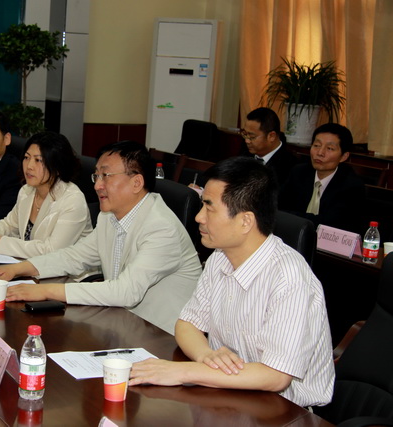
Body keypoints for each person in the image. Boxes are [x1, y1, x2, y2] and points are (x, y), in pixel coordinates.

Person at [129, 156, 334, 408]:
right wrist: (207, 356)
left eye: (209, 208)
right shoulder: (220, 257)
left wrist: (182, 372)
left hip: (282, 410)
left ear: (245, 221)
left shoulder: (289, 277)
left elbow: (276, 376)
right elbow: (187, 324)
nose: (199, 217)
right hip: (228, 394)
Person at [0, 140, 202, 334]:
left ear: (136, 182)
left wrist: (46, 291)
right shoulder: (109, 216)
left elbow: (126, 292)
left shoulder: (161, 228)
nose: (98, 185)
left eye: (106, 176)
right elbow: (75, 256)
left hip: (163, 338)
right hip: (122, 324)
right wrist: (17, 269)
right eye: (96, 176)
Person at [0, 131, 93, 259]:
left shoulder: (73, 200)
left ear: (58, 167)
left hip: (66, 272)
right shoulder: (26, 191)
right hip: (30, 267)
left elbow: (52, 251)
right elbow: (9, 225)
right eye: (26, 157)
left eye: (38, 160)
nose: (29, 166)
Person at [279, 123, 365, 233]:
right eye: (316, 145)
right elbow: (278, 206)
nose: (320, 153)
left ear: (344, 156)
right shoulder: (299, 172)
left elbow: (329, 223)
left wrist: (289, 216)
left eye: (330, 148)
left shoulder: (351, 185)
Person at [240, 107, 296, 186]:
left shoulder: (291, 166)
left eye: (252, 137)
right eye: (245, 134)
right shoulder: (244, 154)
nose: (247, 141)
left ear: (271, 136)